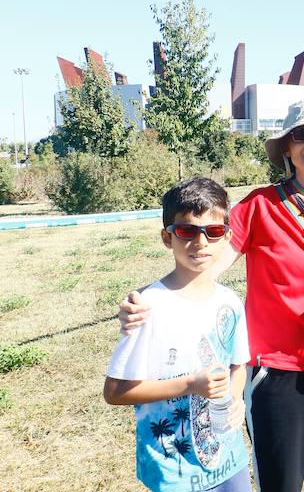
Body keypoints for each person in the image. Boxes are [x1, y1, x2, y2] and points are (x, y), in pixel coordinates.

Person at [120, 97, 304, 492]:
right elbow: (204, 263)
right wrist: (148, 300)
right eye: (303, 134)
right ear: (287, 147)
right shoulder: (260, 205)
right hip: (278, 372)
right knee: (281, 483)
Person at [104, 177, 252, 492]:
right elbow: (115, 392)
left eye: (213, 232)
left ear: (226, 237)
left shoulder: (230, 302)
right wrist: (189, 385)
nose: (201, 243)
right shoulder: (147, 306)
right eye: (187, 231)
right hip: (174, 471)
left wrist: (237, 396)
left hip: (230, 460)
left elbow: (239, 364)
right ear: (166, 238)